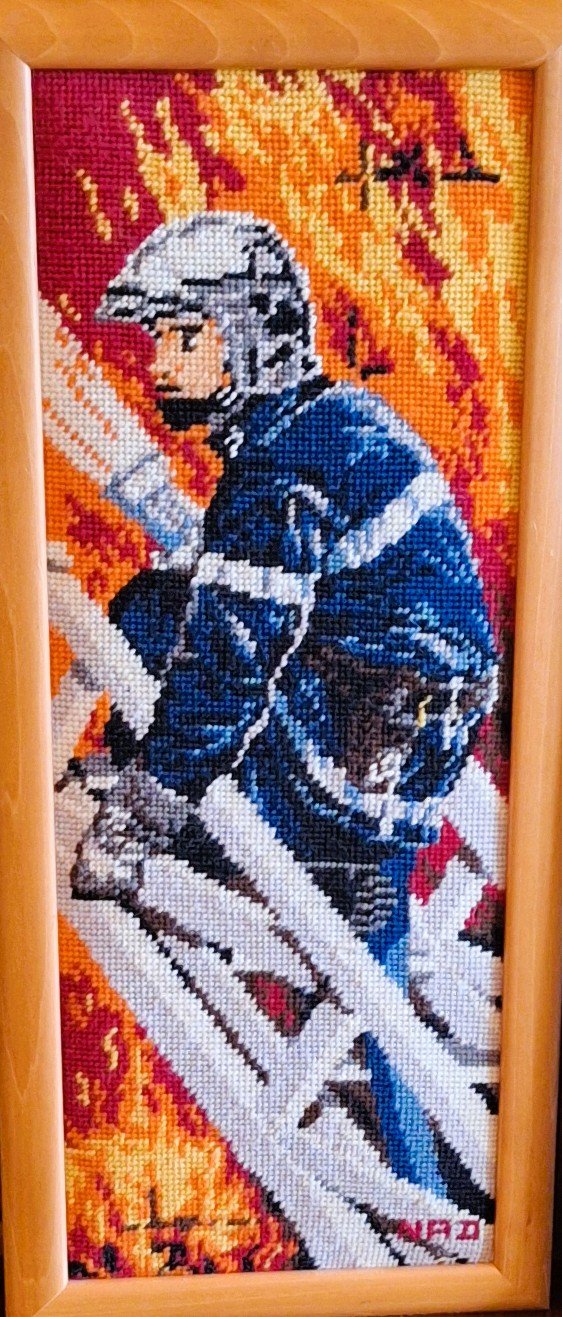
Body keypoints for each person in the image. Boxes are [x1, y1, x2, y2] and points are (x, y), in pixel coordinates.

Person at [73, 211, 497, 1214]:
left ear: (248, 335)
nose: (160, 363)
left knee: (151, 617)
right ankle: (419, 1177)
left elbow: (227, 669)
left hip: (345, 779)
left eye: (184, 336)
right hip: (399, 769)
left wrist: (139, 814)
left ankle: (143, 805)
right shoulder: (337, 424)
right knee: (374, 982)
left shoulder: (275, 472)